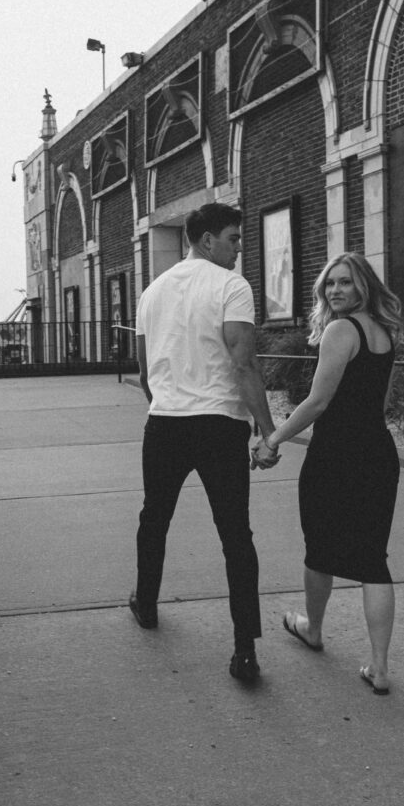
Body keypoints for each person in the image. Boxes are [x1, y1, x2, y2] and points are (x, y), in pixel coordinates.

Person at [130, 202, 280, 682]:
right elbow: (244, 363)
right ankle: (244, 651)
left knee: (155, 517)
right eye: (233, 239)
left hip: (165, 424)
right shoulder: (231, 287)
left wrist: (169, 403)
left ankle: (146, 603)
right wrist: (268, 431)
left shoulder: (151, 292)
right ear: (207, 240)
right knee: (236, 535)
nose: (238, 249)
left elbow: (144, 372)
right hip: (219, 424)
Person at [262, 252, 402, 695]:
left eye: (345, 282)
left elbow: (317, 402)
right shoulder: (384, 333)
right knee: (373, 559)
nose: (336, 290)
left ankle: (314, 629)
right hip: (377, 454)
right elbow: (382, 404)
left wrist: (273, 439)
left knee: (319, 547)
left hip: (335, 455)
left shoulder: (341, 330)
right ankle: (379, 667)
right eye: (330, 283)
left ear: (364, 286)